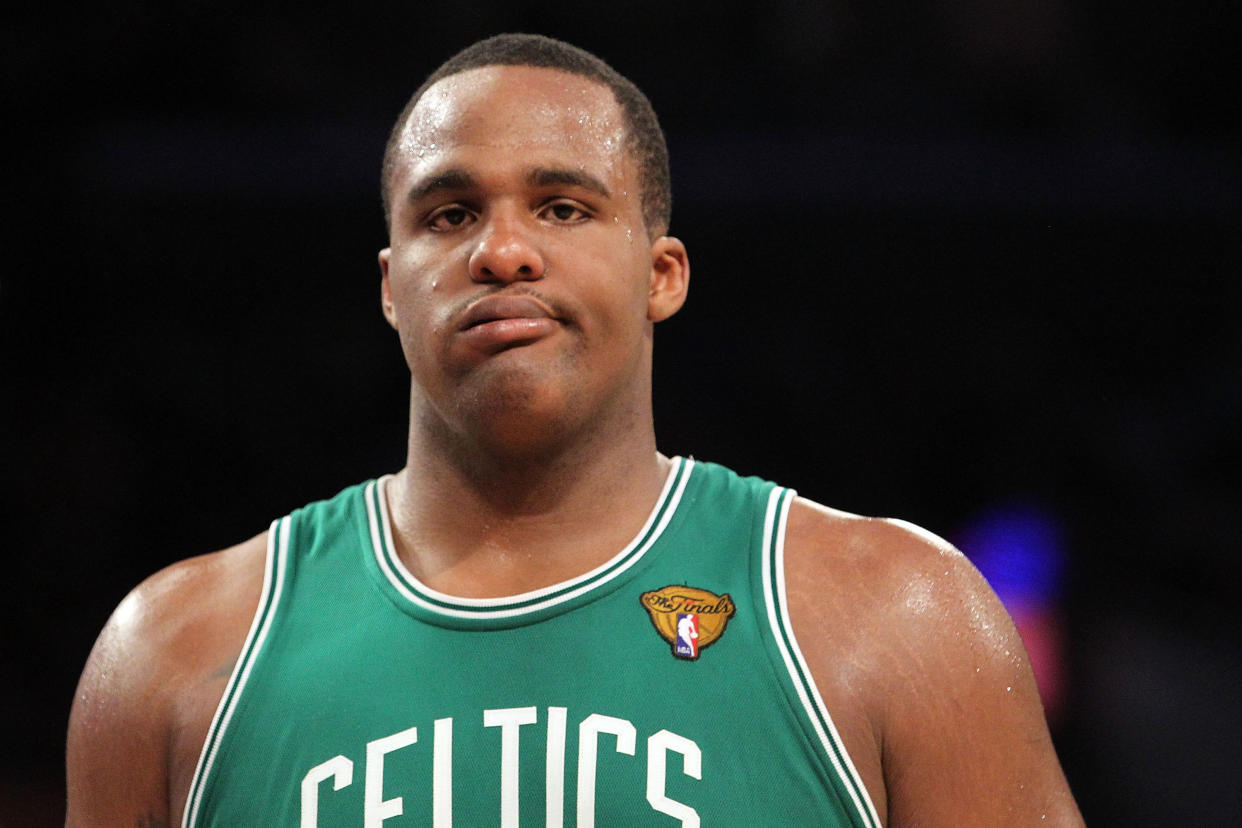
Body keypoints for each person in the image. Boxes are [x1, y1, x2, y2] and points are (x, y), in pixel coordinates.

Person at [66, 33, 1083, 827]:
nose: (504, 251)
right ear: (390, 286)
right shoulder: (173, 653)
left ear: (661, 274)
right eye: (451, 214)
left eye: (561, 208)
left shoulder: (900, 621)